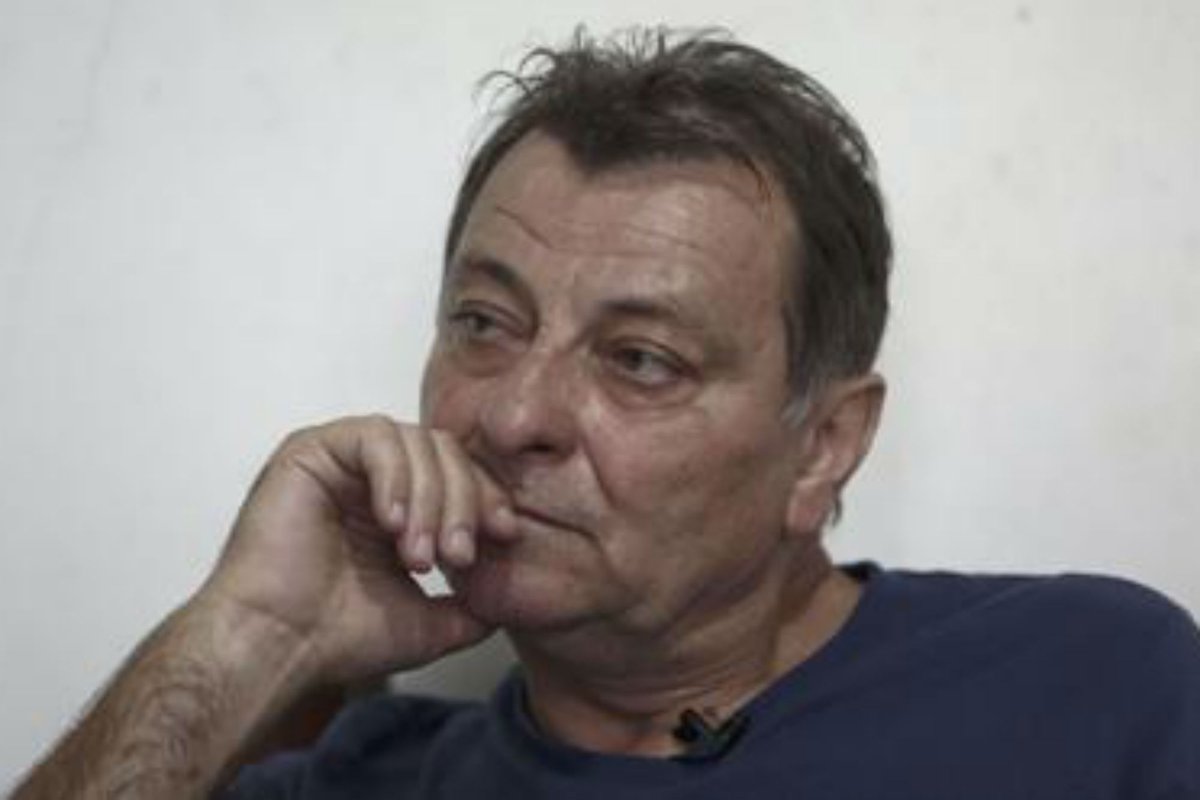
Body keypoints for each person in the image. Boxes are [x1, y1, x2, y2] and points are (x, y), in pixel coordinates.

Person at [13, 27, 1200, 800]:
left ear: (824, 445)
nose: (513, 413)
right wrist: (251, 632)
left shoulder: (1090, 685)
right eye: (485, 322)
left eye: (638, 358)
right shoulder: (364, 771)